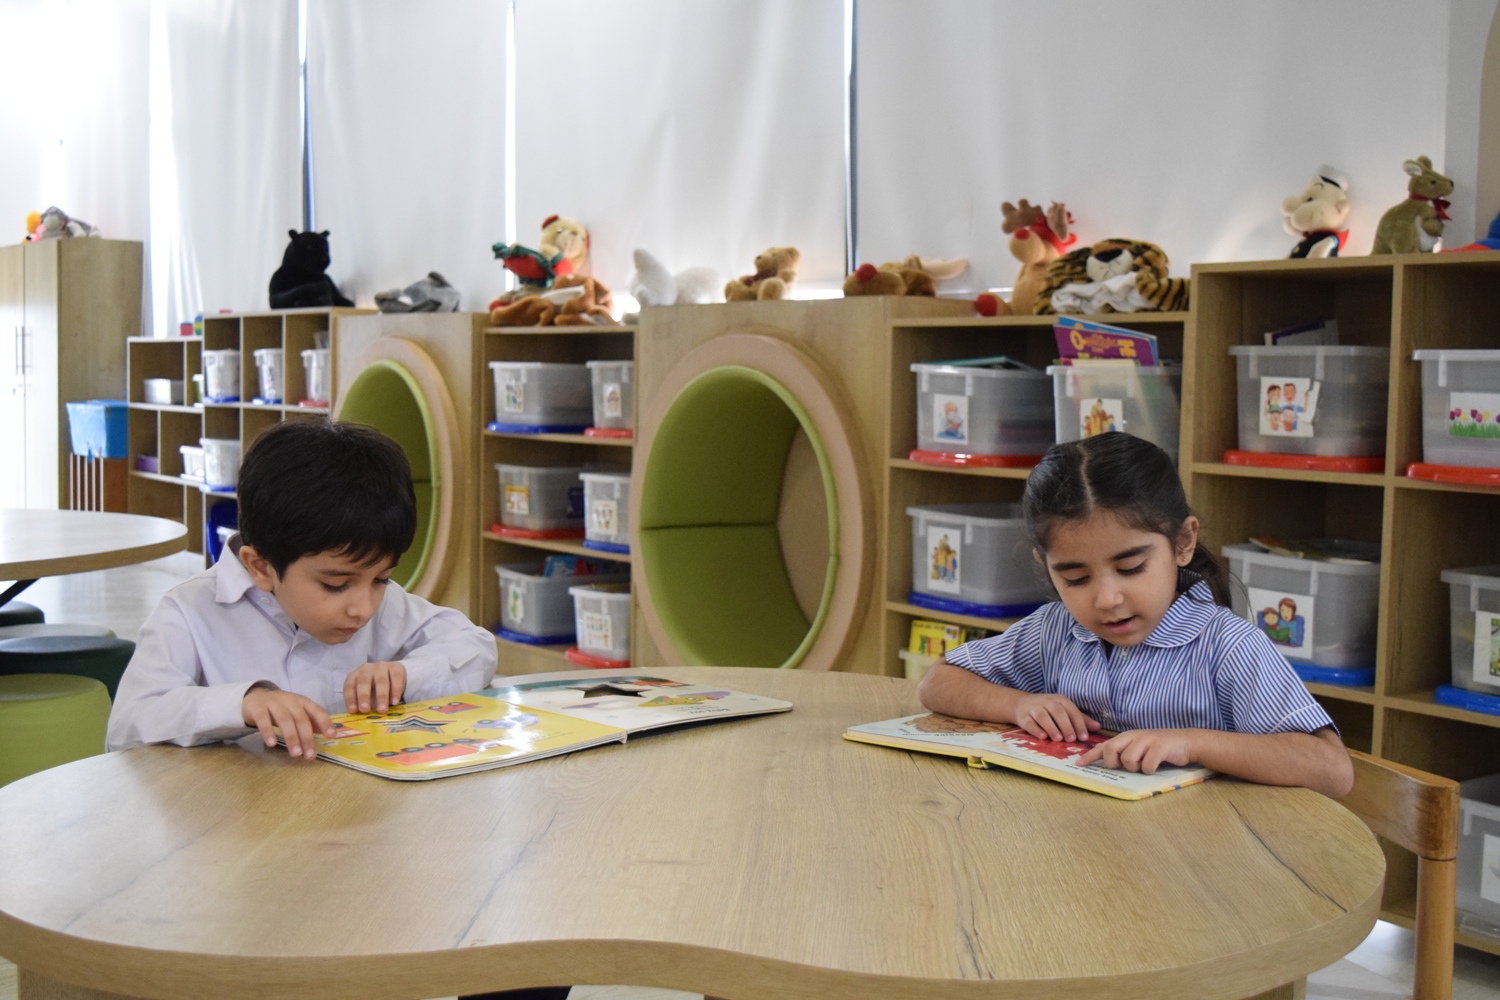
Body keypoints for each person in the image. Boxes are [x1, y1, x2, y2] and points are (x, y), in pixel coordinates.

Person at [917, 432, 1354, 797]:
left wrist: (1191, 743)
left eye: (1131, 568)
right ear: (1045, 567)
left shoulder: (1227, 646)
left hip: (1198, 854)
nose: (1107, 599)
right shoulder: (1054, 631)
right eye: (1075, 578)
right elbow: (937, 683)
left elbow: (1331, 768)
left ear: (1182, 542)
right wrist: (1019, 704)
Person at [107, 419, 499, 756]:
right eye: (335, 585)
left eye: (381, 578)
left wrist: (406, 674)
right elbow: (126, 729)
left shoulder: (379, 601)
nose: (363, 608)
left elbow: (475, 647)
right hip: (235, 813)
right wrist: (242, 704)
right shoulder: (188, 612)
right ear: (261, 566)